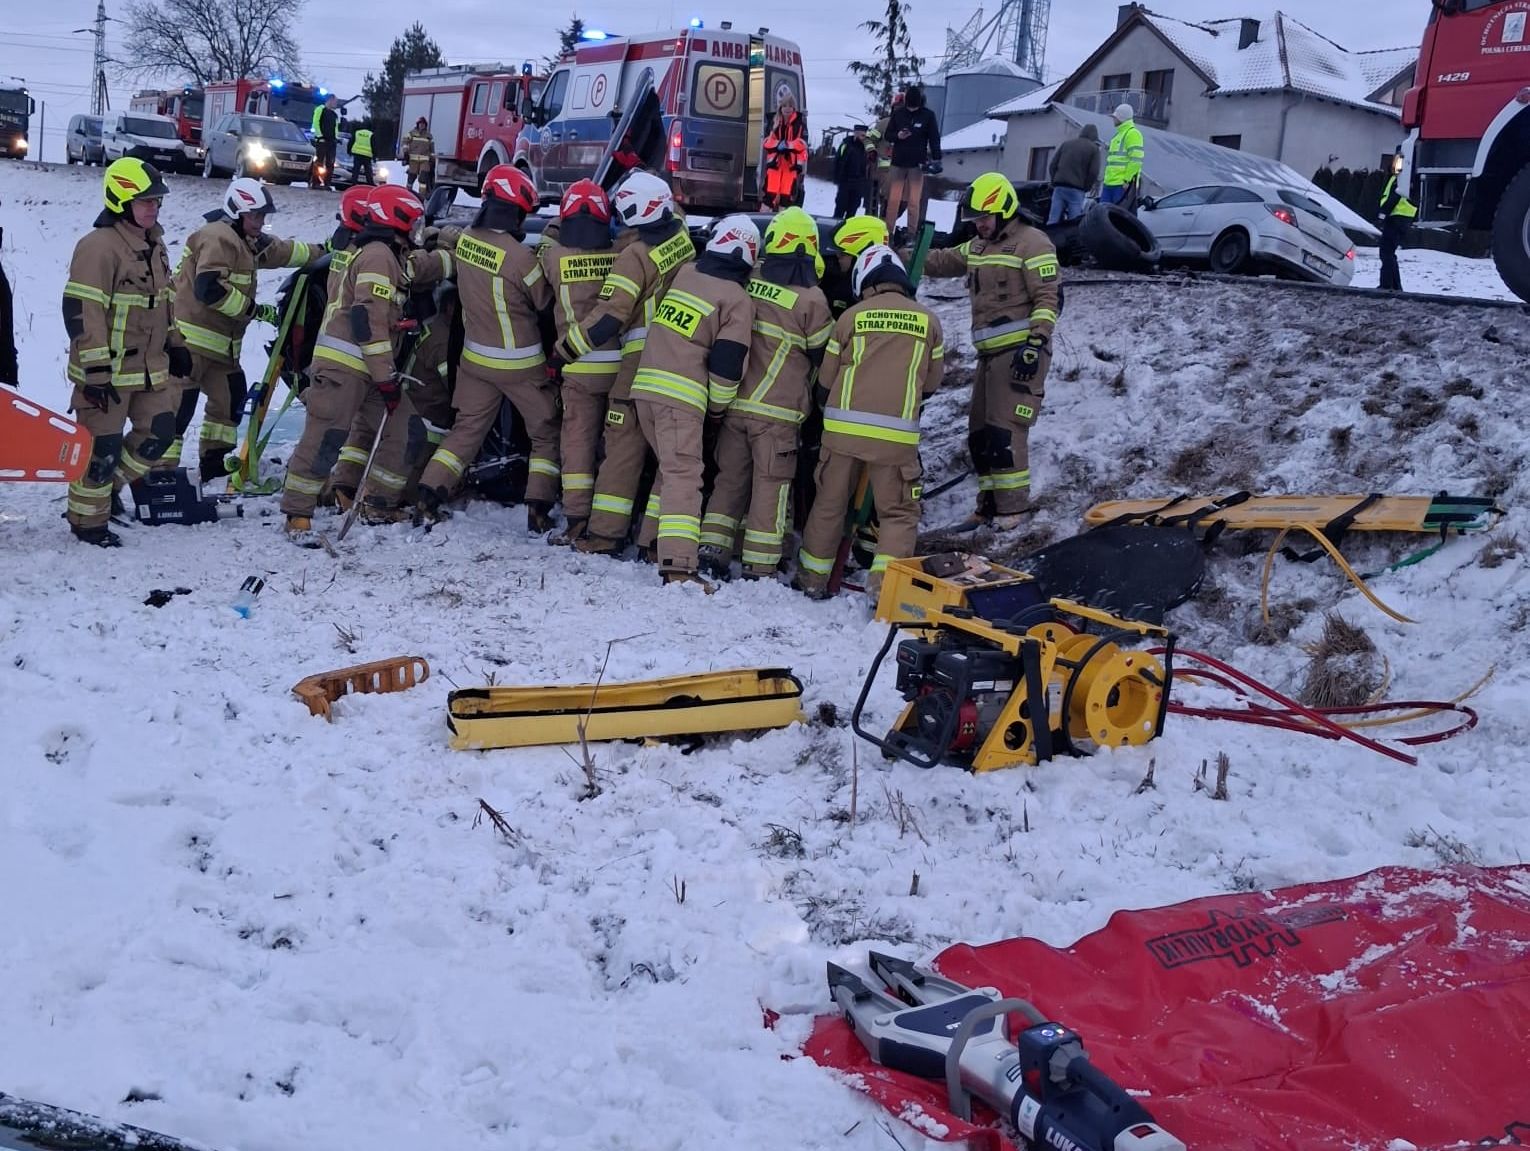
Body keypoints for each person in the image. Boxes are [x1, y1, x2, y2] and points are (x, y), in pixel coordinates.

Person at [553, 170, 696, 556]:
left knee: (622, 447)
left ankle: (604, 535)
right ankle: (652, 540)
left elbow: (609, 317)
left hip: (639, 364)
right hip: (682, 360)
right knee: (670, 457)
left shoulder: (634, 257)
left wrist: (565, 350)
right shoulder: (681, 237)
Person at [794, 246, 943, 601]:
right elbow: (932, 383)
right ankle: (883, 589)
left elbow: (825, 381)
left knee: (829, 504)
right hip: (895, 438)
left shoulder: (850, 318)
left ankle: (812, 579)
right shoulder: (929, 321)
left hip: (842, 433)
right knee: (898, 512)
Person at [279, 185, 427, 541]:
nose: (418, 229)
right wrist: (386, 378)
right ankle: (297, 514)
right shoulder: (378, 256)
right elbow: (366, 320)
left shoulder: (387, 255)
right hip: (344, 368)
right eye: (415, 222)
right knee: (325, 438)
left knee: (407, 430)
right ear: (397, 219)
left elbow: (377, 314)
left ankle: (377, 504)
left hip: (370, 368)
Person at [416, 165, 559, 529]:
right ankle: (538, 509)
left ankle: (429, 495)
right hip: (520, 364)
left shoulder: (466, 240)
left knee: (466, 431)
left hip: (475, 360)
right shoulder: (521, 258)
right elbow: (545, 302)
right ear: (516, 211)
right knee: (545, 432)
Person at [60, 158, 191, 546]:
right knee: (101, 449)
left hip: (149, 370)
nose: (153, 208)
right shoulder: (98, 247)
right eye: (145, 201)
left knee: (160, 432)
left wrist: (177, 343)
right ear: (120, 201)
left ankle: (109, 490)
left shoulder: (155, 245)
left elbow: (164, 303)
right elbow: (83, 312)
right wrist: (96, 372)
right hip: (107, 375)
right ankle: (87, 523)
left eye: (156, 201)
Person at [921, 172, 1059, 530]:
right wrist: (901, 255)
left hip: (1020, 355)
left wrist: (1035, 343)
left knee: (1005, 431)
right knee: (980, 434)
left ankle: (1012, 510)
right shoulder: (979, 246)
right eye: (974, 219)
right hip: (989, 356)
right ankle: (987, 506)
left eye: (983, 218)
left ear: (1004, 211)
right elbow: (943, 260)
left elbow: (1048, 298)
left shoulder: (1033, 244)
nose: (978, 225)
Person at [700, 207, 833, 581]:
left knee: (729, 480)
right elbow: (826, 359)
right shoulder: (812, 301)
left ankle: (712, 550)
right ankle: (759, 565)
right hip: (778, 415)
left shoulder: (748, 280)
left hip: (735, 406)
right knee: (770, 488)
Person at [629, 215, 758, 587]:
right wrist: (716, 409)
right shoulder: (736, 299)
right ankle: (679, 567)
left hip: (645, 389)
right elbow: (727, 367)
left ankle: (651, 543)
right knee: (684, 476)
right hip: (681, 398)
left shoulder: (686, 274)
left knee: (669, 470)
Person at [170, 177, 319, 482]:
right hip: (187, 343)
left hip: (221, 349)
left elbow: (282, 252)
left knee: (230, 400)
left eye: (263, 216)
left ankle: (213, 464)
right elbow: (209, 288)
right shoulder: (218, 237)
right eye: (255, 216)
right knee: (178, 408)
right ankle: (160, 474)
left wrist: (324, 250)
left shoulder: (245, 241)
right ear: (236, 212)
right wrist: (255, 310)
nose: (260, 222)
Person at [541, 179, 621, 543]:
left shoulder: (554, 257)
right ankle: (611, 520)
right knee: (617, 447)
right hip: (619, 366)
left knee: (577, 442)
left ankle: (576, 517)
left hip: (577, 365)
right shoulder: (621, 255)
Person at [882, 85, 942, 236]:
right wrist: (898, 136)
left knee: (914, 202)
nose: (911, 109)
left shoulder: (928, 115)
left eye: (914, 107)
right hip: (898, 163)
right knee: (893, 200)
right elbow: (888, 135)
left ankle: (911, 234)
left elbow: (934, 138)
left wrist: (937, 158)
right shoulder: (898, 114)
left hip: (917, 164)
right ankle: (888, 233)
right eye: (909, 107)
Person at [762, 95, 808, 212]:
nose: (787, 108)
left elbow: (803, 143)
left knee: (786, 198)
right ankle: (764, 219)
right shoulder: (773, 121)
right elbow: (766, 141)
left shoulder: (800, 123)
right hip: (775, 165)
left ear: (794, 108)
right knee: (769, 196)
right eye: (784, 105)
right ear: (780, 107)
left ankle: (782, 221)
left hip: (790, 166)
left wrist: (788, 145)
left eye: (790, 106)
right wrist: (778, 144)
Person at [1048, 124, 1101, 224]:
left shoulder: (1066, 144)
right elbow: (1093, 172)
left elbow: (1052, 165)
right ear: (1094, 136)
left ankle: (1048, 234)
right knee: (1073, 222)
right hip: (1077, 189)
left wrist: (1054, 181)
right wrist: (1086, 187)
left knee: (1053, 219)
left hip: (1059, 187)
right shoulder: (1094, 149)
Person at [1378, 157, 1416, 292]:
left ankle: (1386, 285)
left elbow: (1393, 198)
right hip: (1402, 219)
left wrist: (1382, 214)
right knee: (1390, 253)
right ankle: (1395, 285)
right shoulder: (1406, 179)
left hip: (1395, 218)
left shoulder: (1399, 179)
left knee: (1386, 252)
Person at [1101, 103, 1144, 209]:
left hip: (1121, 186)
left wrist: (1127, 180)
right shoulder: (1118, 135)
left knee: (1118, 215)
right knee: (1105, 214)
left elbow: (1136, 160)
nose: (1113, 119)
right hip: (1110, 183)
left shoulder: (1132, 134)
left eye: (1115, 117)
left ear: (1121, 118)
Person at [833, 124, 872, 219]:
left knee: (853, 209)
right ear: (855, 133)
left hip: (859, 183)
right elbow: (837, 161)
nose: (863, 137)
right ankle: (836, 225)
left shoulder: (867, 147)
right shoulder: (846, 145)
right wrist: (837, 178)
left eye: (865, 135)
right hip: (845, 181)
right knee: (840, 206)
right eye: (861, 135)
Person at [312, 95, 340, 189]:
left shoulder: (334, 114)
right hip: (322, 141)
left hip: (332, 142)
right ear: (330, 100)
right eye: (335, 101)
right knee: (319, 162)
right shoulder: (320, 109)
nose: (336, 104)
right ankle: (316, 182)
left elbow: (336, 128)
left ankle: (327, 183)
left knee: (330, 163)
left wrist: (336, 138)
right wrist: (320, 136)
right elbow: (316, 122)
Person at [403, 116, 434, 194]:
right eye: (420, 124)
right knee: (411, 177)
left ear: (425, 125)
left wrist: (432, 159)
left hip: (425, 161)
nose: (421, 125)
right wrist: (405, 153)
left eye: (423, 124)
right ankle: (408, 193)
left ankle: (422, 196)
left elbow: (432, 149)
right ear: (418, 124)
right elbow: (405, 142)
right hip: (413, 160)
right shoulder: (412, 133)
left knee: (423, 179)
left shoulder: (428, 136)